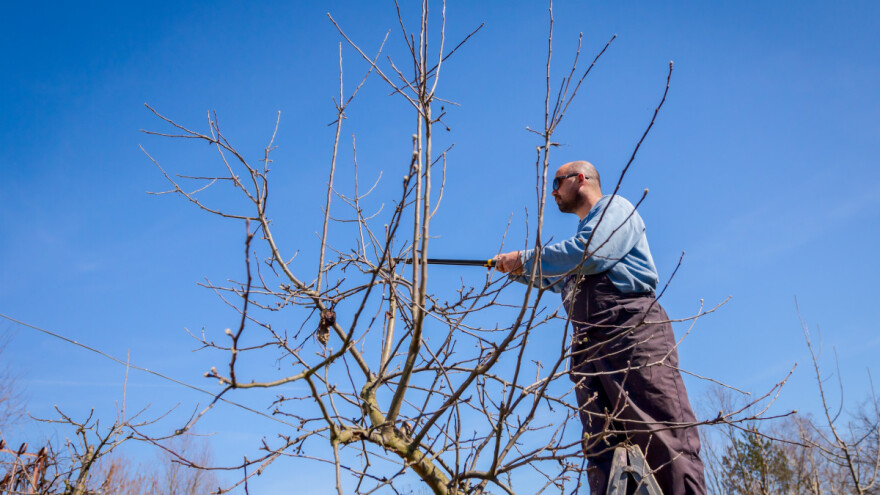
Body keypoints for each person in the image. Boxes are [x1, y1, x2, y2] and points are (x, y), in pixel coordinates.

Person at [494, 161, 706, 495]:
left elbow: (589, 253)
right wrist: (518, 270)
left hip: (631, 334)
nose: (552, 192)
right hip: (587, 348)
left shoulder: (615, 209)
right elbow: (558, 276)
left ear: (581, 179)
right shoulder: (579, 243)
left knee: (660, 437)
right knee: (603, 453)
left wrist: (525, 257)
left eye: (557, 182)